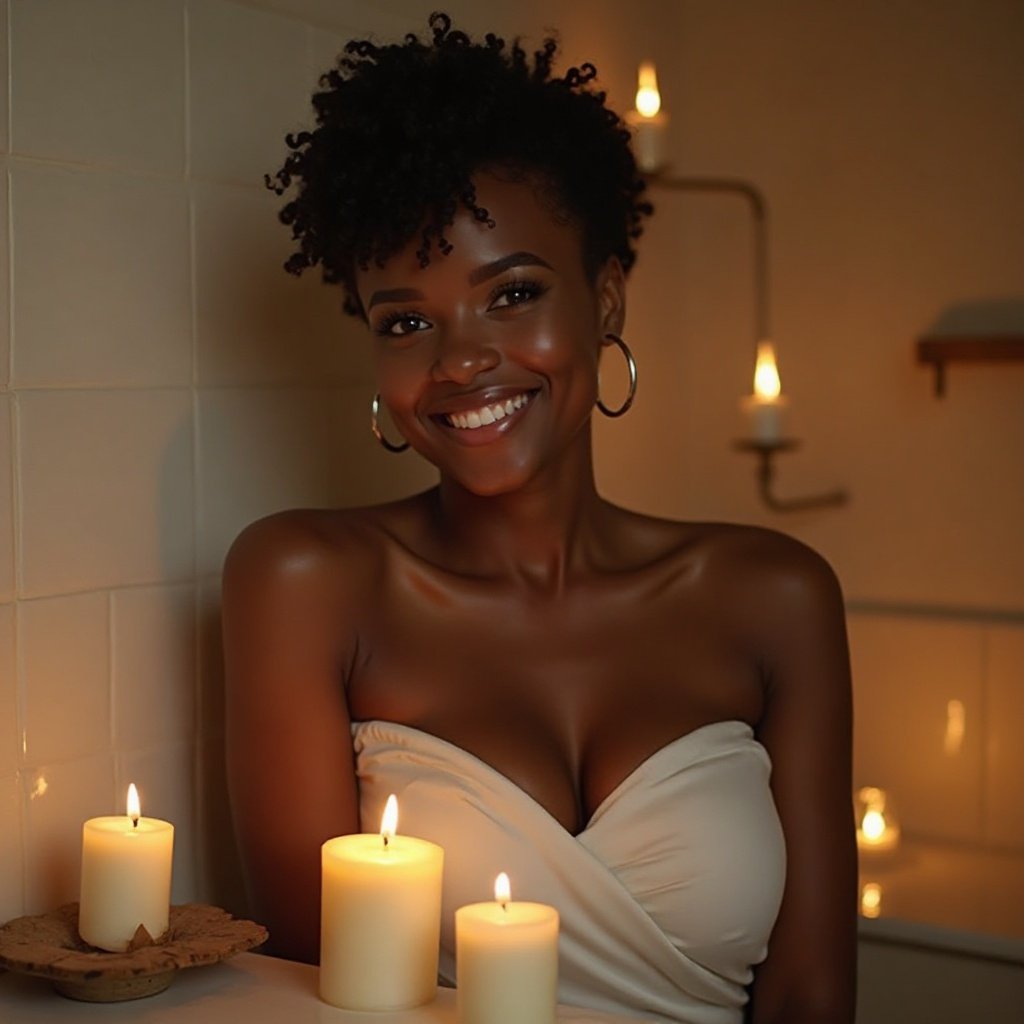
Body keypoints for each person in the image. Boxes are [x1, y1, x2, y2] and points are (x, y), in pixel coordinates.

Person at [223, 12, 856, 1024]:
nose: (461, 361)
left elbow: (813, 995)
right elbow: (316, 989)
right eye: (407, 321)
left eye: (510, 293)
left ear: (605, 299)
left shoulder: (773, 595)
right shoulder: (305, 581)